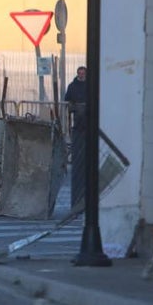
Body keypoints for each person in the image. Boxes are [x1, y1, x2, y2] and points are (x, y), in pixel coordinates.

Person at [64, 65, 88, 211]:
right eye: (79, 73)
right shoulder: (72, 86)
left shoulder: (90, 86)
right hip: (78, 123)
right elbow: (68, 101)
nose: (81, 75)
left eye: (83, 73)